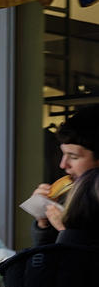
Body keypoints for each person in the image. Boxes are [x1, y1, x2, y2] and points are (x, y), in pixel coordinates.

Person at [29, 105, 99, 246]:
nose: (63, 164)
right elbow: (46, 261)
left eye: (73, 156)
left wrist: (66, 230)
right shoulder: (69, 198)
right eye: (63, 154)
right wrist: (44, 223)